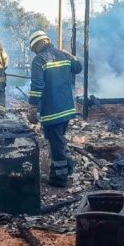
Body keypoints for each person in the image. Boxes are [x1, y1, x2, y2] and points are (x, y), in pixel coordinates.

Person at [26, 30, 82, 187]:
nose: (34, 51)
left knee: (55, 143)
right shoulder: (62, 55)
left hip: (52, 111)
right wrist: (71, 56)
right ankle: (68, 167)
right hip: (67, 109)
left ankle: (59, 178)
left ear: (36, 44)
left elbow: (37, 86)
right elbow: (78, 67)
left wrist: (32, 106)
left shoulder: (39, 59)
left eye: (33, 48)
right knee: (60, 139)